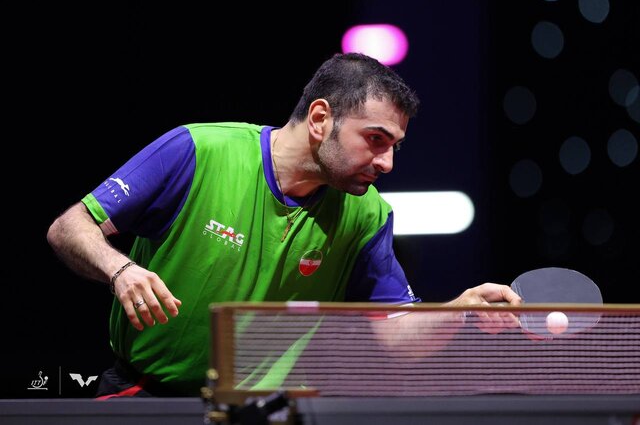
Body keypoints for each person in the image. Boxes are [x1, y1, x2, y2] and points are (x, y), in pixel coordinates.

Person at [47, 52, 521, 398]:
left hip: (265, 409)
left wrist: (459, 310)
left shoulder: (367, 214)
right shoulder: (197, 151)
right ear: (320, 118)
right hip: (143, 394)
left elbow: (396, 334)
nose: (387, 163)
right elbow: (70, 226)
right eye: (375, 139)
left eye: (394, 146)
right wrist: (121, 270)